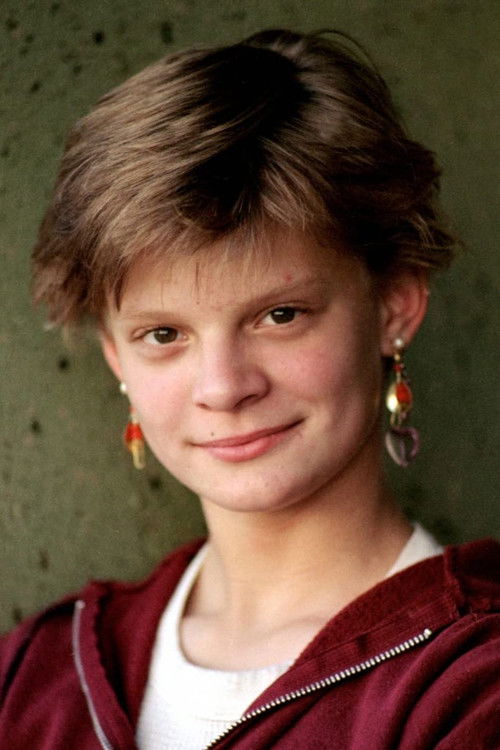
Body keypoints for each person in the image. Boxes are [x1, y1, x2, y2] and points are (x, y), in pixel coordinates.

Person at [0, 28, 498, 750]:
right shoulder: (35, 674)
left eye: (280, 315)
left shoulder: (472, 687)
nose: (224, 387)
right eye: (163, 334)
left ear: (394, 306)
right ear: (116, 358)